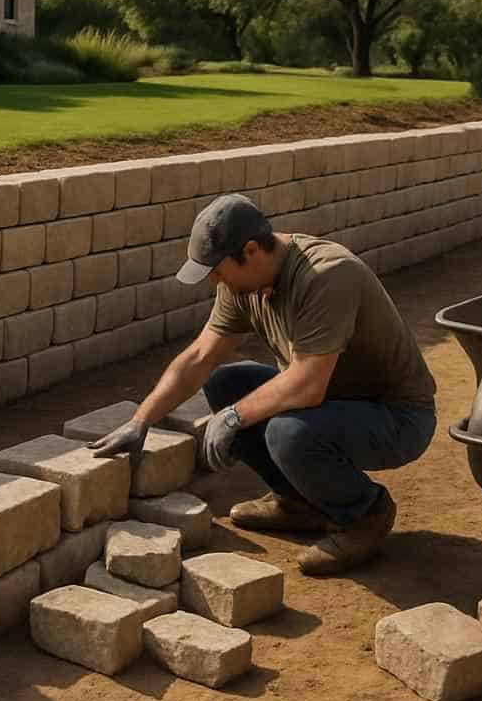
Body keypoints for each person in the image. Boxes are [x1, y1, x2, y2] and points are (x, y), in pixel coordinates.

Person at [88, 193, 436, 575]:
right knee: (226, 384)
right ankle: (299, 501)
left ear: (251, 250)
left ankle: (364, 513)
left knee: (287, 433)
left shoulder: (327, 276)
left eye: (217, 270)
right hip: (333, 397)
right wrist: (141, 421)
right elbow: (199, 357)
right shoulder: (242, 283)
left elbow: (307, 385)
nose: (214, 281)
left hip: (395, 416)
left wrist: (235, 417)